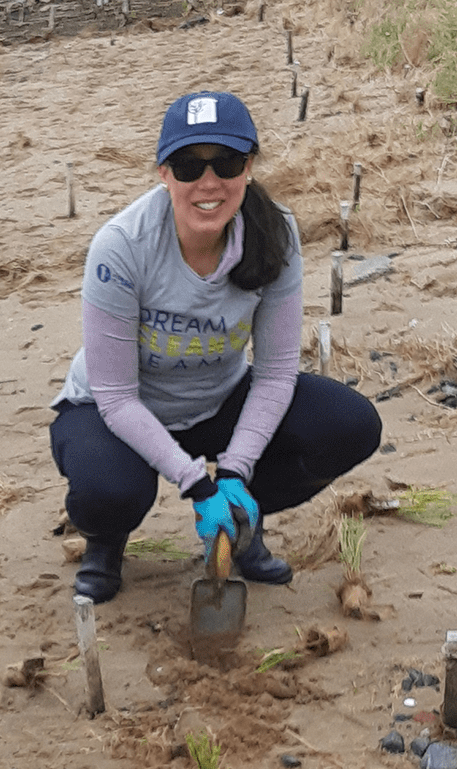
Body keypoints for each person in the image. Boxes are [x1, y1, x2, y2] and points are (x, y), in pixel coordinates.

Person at [49, 91, 381, 603]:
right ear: (164, 174)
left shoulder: (276, 235)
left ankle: (242, 521)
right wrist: (195, 485)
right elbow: (115, 396)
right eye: (188, 165)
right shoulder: (121, 247)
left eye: (225, 162)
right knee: (108, 492)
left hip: (218, 397)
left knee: (349, 425)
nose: (208, 183)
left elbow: (273, 375)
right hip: (115, 408)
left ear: (248, 167)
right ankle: (105, 542)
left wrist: (232, 474)